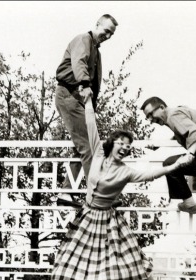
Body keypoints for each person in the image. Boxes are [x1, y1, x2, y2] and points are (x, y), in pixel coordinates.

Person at [52, 99, 179, 280]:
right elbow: (90, 123)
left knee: (133, 261)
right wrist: (88, 101)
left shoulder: (126, 171)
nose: (125, 148)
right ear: (113, 143)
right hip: (89, 218)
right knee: (102, 269)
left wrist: (173, 167)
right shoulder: (98, 153)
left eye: (128, 146)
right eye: (122, 143)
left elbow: (150, 174)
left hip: (108, 220)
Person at [54, 14, 118, 208]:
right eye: (106, 30)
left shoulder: (97, 52)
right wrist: (83, 83)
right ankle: (99, 194)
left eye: (111, 34)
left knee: (80, 147)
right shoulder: (83, 39)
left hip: (81, 101)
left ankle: (66, 191)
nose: (108, 35)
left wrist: (91, 107)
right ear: (97, 24)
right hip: (69, 95)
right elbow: (79, 62)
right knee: (91, 148)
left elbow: (94, 82)